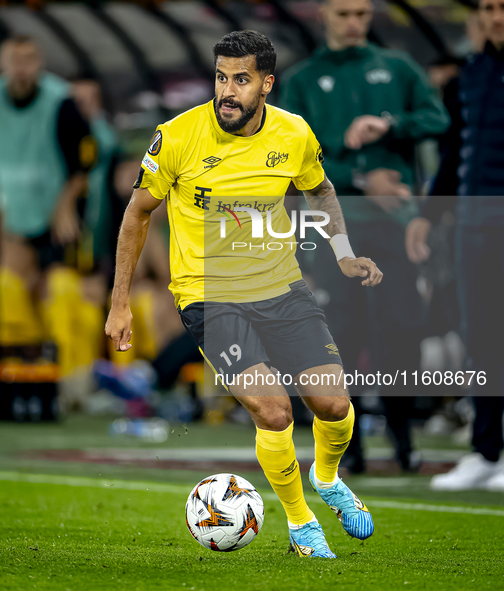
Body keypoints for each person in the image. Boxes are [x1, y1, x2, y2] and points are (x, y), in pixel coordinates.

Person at [106, 30, 383, 558]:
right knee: (274, 412)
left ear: (266, 84)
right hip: (209, 298)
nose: (226, 91)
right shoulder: (179, 136)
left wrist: (343, 253)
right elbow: (138, 212)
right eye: (219, 77)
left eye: (240, 79)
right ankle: (301, 525)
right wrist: (119, 303)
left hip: (281, 288)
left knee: (335, 405)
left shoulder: (293, 133)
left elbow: (319, 188)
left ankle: (327, 479)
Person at [280, 0, 450, 473]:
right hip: (335, 228)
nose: (353, 23)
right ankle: (345, 443)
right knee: (342, 333)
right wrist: (359, 177)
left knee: (401, 328)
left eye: (360, 13)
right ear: (323, 15)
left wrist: (391, 124)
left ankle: (402, 435)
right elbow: (288, 157)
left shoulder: (397, 67)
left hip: (396, 227)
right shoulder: (302, 81)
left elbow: (439, 120)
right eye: (343, 14)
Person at [406, 0, 504, 492]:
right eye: (488, 7)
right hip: (472, 223)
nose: (495, 17)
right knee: (480, 335)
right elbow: (453, 153)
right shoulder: (472, 75)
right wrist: (428, 216)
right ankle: (486, 451)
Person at [0, 36, 97, 375]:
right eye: (14, 60)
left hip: (57, 217)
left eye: (28, 59)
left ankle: (73, 377)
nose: (21, 68)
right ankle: (21, 368)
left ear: (39, 63)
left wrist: (64, 205)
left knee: (60, 291)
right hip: (16, 213)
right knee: (8, 283)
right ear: (2, 64)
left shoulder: (61, 100)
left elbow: (84, 162)